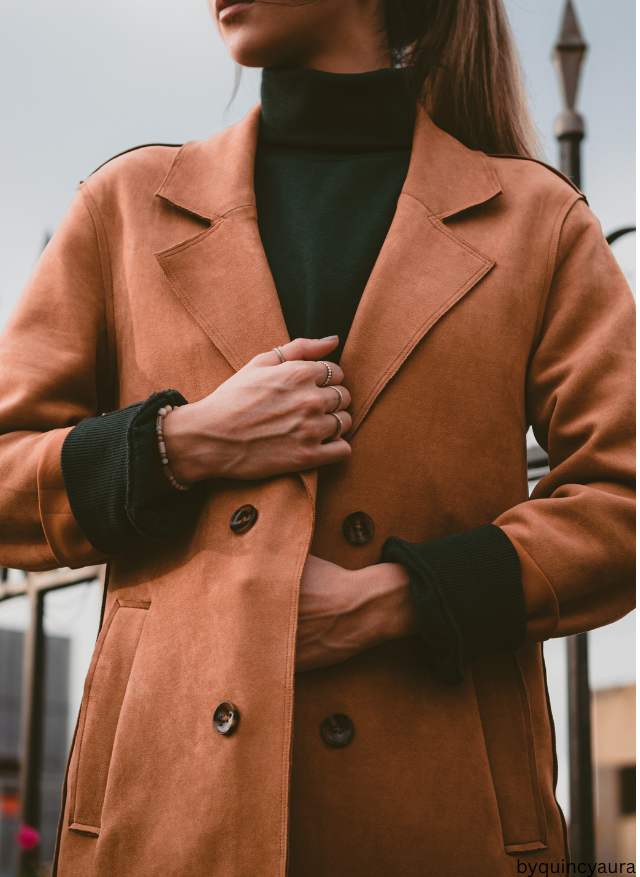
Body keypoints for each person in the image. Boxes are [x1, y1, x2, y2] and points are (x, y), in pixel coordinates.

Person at [0, 1, 634, 875]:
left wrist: (394, 600)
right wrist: (183, 442)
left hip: (444, 819)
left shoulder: (540, 222)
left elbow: (623, 502)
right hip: (165, 826)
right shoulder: (126, 208)